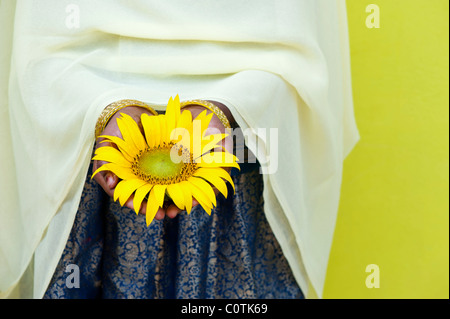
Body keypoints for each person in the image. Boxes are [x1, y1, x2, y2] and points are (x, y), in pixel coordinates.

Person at [0, 0, 359, 299]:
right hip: (88, 160)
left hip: (244, 150)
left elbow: (302, 57)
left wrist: (231, 110)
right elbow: (39, 44)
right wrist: (102, 110)